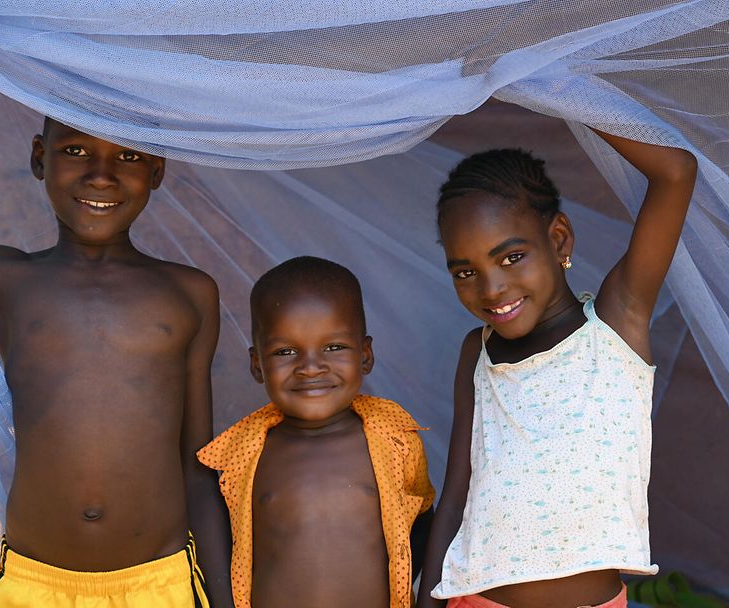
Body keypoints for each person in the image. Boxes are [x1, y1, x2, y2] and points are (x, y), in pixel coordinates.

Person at [0, 118, 233, 607]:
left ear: (157, 169)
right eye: (77, 151)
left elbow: (197, 466)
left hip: (160, 585)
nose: (101, 175)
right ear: (40, 157)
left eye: (128, 156)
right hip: (33, 586)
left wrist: (225, 601)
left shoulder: (189, 294)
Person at [418, 133, 698, 608]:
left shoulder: (615, 324)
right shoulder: (477, 352)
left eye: (511, 257)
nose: (491, 287)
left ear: (559, 238)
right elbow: (456, 496)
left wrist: (564, 87)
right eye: (465, 272)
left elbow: (676, 174)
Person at [197, 256, 435, 608]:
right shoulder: (242, 451)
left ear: (365, 356)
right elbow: (220, 540)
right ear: (257, 364)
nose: (310, 367)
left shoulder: (395, 436)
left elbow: (422, 519)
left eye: (334, 347)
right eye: (286, 351)